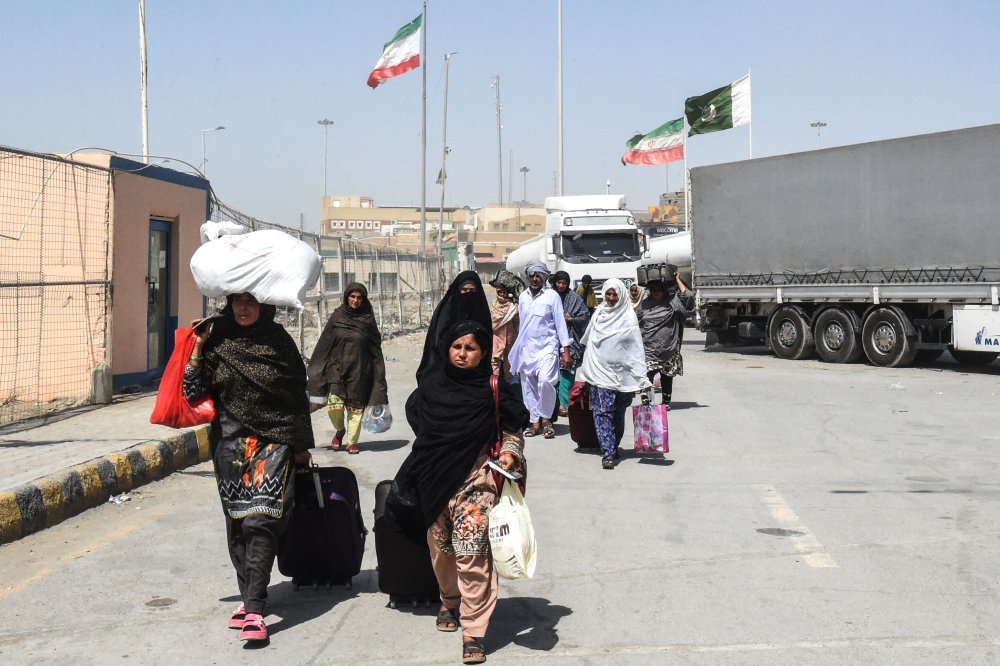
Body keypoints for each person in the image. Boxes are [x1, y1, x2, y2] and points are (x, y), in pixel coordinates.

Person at [402, 282, 530, 663]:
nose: (462, 353)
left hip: (478, 480)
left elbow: (513, 429)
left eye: (470, 348)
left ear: (482, 351)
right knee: (441, 549)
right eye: (457, 347)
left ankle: (474, 630)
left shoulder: (493, 388)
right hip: (435, 479)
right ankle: (449, 600)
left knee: (472, 550)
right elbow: (418, 423)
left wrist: (509, 454)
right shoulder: (431, 386)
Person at [183, 292, 314, 642]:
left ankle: (255, 609)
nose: (243, 308)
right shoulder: (219, 340)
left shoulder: (279, 342)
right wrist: (198, 346)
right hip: (229, 444)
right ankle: (249, 596)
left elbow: (297, 397)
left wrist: (301, 447)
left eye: (251, 302)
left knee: (260, 520)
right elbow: (192, 391)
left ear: (265, 305)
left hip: (274, 441)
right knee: (238, 523)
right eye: (238, 301)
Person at [576, 279, 651, 469]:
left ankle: (613, 445)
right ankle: (607, 453)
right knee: (602, 413)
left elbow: (636, 350)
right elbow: (591, 345)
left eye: (614, 294)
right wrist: (587, 374)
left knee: (618, 412)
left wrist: (642, 378)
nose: (610, 298)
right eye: (608, 294)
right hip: (600, 373)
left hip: (623, 375)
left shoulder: (628, 317)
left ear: (621, 295)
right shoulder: (598, 315)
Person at [307, 283, 388, 454]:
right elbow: (325, 343)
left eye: (359, 297)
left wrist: (378, 375)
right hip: (336, 370)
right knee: (334, 407)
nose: (355, 300)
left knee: (355, 410)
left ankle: (351, 442)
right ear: (346, 297)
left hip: (360, 372)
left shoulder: (368, 319)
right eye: (352, 296)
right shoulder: (338, 316)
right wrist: (317, 368)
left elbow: (375, 350)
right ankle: (339, 430)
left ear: (363, 299)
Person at [508, 261, 573, 439]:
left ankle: (546, 420)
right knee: (529, 386)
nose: (535, 278)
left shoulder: (551, 296)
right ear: (528, 276)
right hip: (528, 349)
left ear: (544, 277)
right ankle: (534, 422)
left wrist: (565, 350)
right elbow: (521, 326)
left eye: (538, 275)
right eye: (532, 275)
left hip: (547, 347)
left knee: (545, 382)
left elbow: (560, 323)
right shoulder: (523, 297)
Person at [418, 271, 492, 382]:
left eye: (472, 290)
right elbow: (439, 340)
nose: (468, 294)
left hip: (476, 368)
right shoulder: (447, 310)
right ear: (458, 290)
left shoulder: (482, 311)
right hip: (447, 367)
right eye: (464, 290)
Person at [637, 269, 694, 408]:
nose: (656, 292)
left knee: (667, 377)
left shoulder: (673, 302)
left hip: (669, 348)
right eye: (654, 290)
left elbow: (689, 297)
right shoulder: (644, 305)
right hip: (649, 349)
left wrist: (677, 280)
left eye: (659, 289)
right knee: (646, 377)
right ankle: (646, 403)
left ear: (664, 290)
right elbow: (636, 325)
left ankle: (665, 403)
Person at [551, 270, 590, 416]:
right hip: (552, 340)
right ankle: (553, 403)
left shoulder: (574, 298)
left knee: (567, 372)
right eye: (558, 282)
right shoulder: (550, 296)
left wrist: (570, 319)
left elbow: (585, 315)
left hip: (571, 340)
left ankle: (563, 404)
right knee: (553, 373)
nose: (561, 285)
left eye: (564, 283)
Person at [488, 270, 523, 379]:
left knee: (509, 371)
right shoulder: (495, 305)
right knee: (495, 368)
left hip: (510, 342)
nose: (502, 294)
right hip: (496, 341)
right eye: (499, 292)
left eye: (504, 291)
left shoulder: (514, 307)